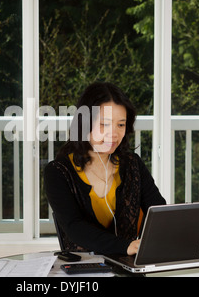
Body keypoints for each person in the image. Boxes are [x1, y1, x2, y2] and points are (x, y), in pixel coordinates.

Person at [44, 82, 166, 256]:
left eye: (121, 125)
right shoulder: (58, 172)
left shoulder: (133, 164)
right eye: (104, 124)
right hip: (83, 272)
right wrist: (125, 246)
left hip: (128, 266)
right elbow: (74, 227)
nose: (114, 133)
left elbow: (158, 212)